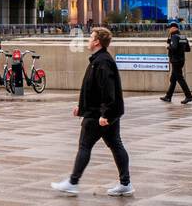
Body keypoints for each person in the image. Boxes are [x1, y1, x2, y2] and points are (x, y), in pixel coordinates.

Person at [52, 27, 132, 196]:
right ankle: (125, 183)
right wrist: (81, 107)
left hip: (98, 115)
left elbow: (107, 91)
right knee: (116, 145)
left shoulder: (102, 62)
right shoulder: (100, 60)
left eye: (91, 37)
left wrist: (105, 114)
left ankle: (73, 182)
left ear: (97, 42)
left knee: (85, 146)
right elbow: (93, 89)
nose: (88, 40)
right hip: (101, 112)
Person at [160, 23, 192, 104]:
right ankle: (168, 96)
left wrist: (168, 47)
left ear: (174, 28)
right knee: (173, 79)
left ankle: (189, 96)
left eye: (170, 28)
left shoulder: (174, 37)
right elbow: (188, 49)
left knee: (180, 79)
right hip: (181, 60)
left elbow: (174, 48)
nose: (169, 30)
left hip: (175, 61)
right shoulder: (182, 37)